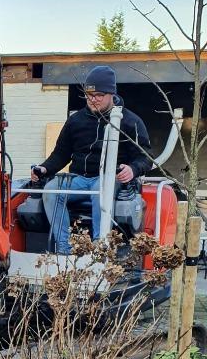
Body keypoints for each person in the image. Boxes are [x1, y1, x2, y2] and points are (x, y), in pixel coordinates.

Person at [31, 65, 152, 253]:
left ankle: (99, 249)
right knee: (51, 189)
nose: (92, 100)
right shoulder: (76, 121)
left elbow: (145, 158)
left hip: (109, 180)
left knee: (100, 188)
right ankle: (64, 249)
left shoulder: (130, 122)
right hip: (79, 179)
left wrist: (133, 169)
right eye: (89, 95)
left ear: (111, 93)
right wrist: (44, 169)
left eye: (98, 95)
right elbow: (61, 154)